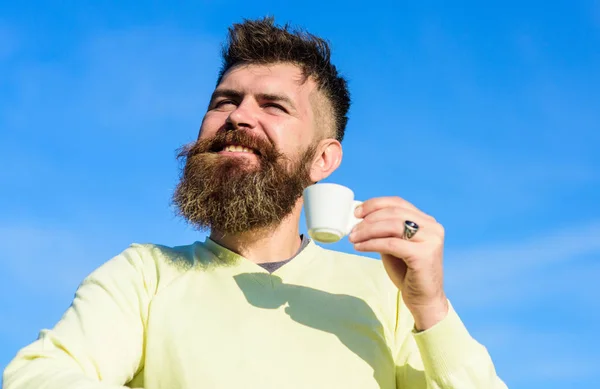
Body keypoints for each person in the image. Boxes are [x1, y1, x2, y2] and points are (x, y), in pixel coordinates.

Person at [3, 17, 508, 389]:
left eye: (273, 106)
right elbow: (38, 376)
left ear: (323, 160)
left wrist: (431, 307)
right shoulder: (144, 276)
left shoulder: (386, 294)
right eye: (225, 100)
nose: (238, 117)